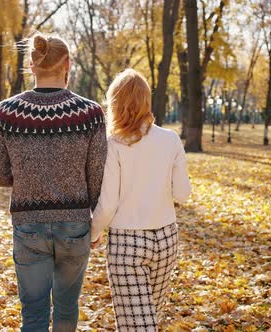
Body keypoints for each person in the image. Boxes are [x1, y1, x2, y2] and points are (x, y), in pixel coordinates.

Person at [0, 33, 107, 331]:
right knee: (67, 309)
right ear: (67, 64)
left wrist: (31, 173)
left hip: (28, 226)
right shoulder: (90, 114)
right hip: (75, 227)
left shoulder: (7, 111)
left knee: (34, 313)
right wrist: (98, 225)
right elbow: (97, 178)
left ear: (31, 65)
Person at [91, 69, 191, 331]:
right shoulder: (171, 139)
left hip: (128, 242)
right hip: (167, 239)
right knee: (149, 319)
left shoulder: (114, 145)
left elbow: (108, 204)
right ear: (147, 100)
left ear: (115, 104)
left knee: (137, 324)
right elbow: (183, 194)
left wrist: (93, 233)